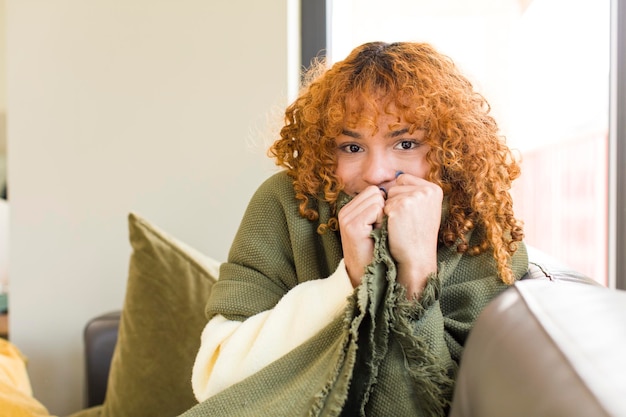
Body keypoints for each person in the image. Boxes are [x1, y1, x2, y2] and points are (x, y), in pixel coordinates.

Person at [187, 41, 528, 417]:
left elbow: (447, 401)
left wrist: (416, 273)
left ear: (450, 150)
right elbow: (215, 377)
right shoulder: (286, 202)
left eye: (406, 143)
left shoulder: (479, 224)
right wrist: (350, 279)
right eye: (351, 147)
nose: (375, 173)